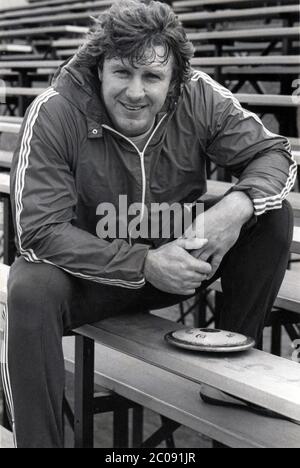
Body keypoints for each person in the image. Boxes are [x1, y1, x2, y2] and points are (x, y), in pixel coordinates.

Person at [1, 0, 296, 448]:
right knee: (28, 287)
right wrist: (143, 263)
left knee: (268, 211)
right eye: (122, 72)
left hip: (179, 263)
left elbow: (275, 154)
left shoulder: (199, 95)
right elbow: (39, 231)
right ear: (99, 68)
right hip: (87, 279)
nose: (136, 92)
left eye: (152, 76)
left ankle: (226, 370)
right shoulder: (56, 110)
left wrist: (234, 206)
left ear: (174, 80)